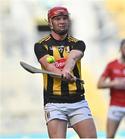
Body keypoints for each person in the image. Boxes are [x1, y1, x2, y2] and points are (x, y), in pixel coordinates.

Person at [34, 6, 97, 138]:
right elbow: (48, 67)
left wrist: (67, 70)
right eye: (57, 19)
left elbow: (73, 57)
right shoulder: (41, 46)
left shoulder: (78, 43)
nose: (62, 21)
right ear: (50, 22)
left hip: (78, 101)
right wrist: (61, 73)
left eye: (64, 18)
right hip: (54, 103)